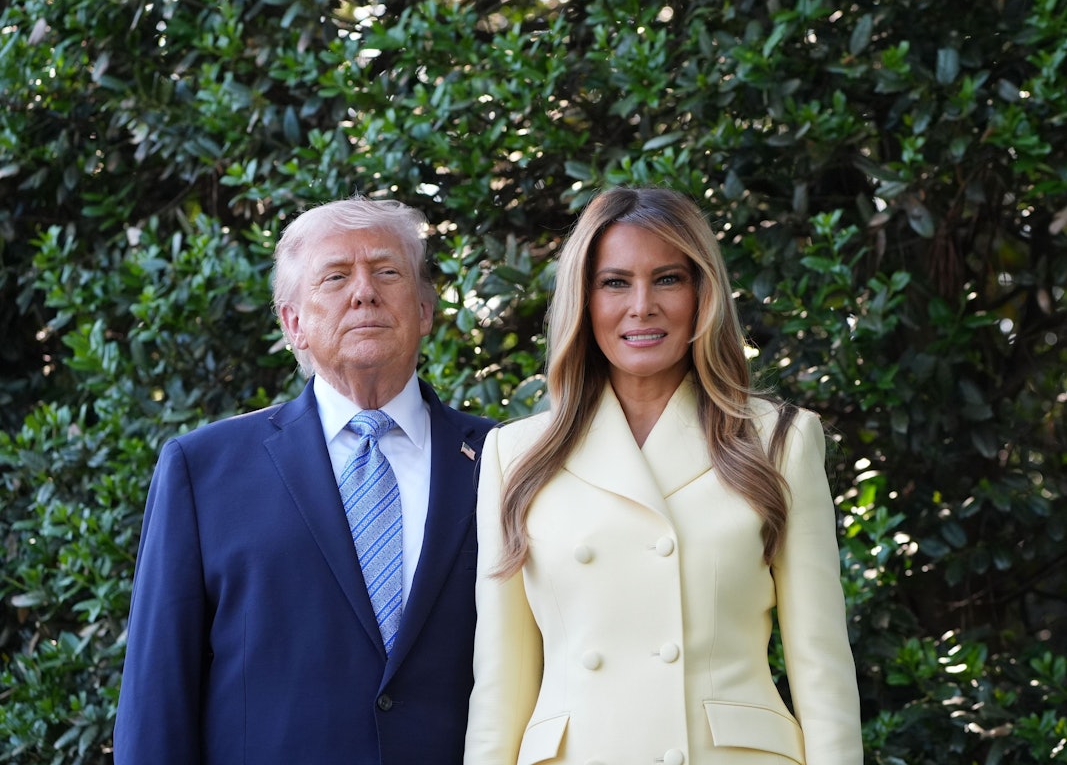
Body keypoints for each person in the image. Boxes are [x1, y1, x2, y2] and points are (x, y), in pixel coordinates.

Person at [464, 187, 863, 765]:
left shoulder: (779, 440)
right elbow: (501, 685)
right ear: (584, 298)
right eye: (615, 282)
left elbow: (820, 664)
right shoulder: (516, 454)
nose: (642, 305)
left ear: (703, 294)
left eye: (669, 279)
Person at [114, 197, 495, 764]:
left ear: (424, 309)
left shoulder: (504, 459)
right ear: (294, 324)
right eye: (335, 276)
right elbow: (157, 695)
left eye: (387, 271)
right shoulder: (204, 469)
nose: (364, 291)